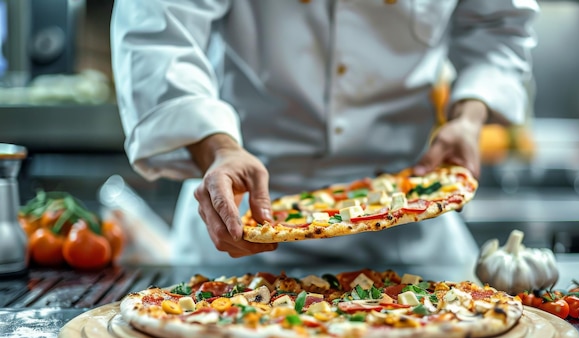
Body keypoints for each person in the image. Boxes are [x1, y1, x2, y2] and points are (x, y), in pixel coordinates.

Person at [110, 0, 539, 268]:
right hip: (241, 219)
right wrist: (217, 149)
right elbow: (157, 31)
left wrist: (467, 116)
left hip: (409, 218)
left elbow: (499, 24)